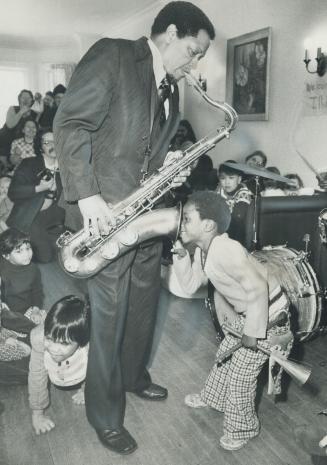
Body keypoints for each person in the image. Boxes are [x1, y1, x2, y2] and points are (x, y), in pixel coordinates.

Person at [54, 0, 215, 455]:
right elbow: (70, 123)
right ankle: (104, 415)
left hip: (145, 215)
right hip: (103, 217)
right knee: (108, 317)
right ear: (167, 32)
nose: (196, 61)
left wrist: (169, 164)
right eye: (194, 49)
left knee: (143, 304)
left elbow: (146, 150)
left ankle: (132, 375)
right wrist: (86, 196)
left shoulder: (173, 90)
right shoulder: (115, 55)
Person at [171, 191, 291, 451]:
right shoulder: (204, 250)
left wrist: (253, 331)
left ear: (208, 225)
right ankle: (214, 397)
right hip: (254, 313)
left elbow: (258, 287)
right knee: (226, 353)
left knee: (241, 376)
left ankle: (243, 427)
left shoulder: (225, 249)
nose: (180, 224)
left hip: (270, 318)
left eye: (186, 219)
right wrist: (181, 257)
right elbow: (191, 285)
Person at [28, 295, 89, 435]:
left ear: (82, 341)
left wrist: (87, 389)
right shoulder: (39, 339)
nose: (54, 348)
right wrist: (37, 414)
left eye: (64, 343)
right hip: (55, 373)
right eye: (49, 338)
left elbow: (99, 371)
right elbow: (37, 377)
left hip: (80, 369)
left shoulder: (90, 343)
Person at [7, 130, 65, 263]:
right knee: (45, 257)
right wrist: (40, 188)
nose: (52, 145)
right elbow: (13, 192)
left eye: (55, 141)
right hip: (32, 216)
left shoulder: (64, 167)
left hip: (56, 217)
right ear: (40, 147)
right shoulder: (29, 164)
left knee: (62, 254)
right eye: (47, 142)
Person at [0, 228, 45, 337]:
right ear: (6, 256)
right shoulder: (2, 269)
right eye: (19, 251)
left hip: (27, 310)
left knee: (44, 320)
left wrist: (35, 309)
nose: (26, 254)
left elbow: (37, 291)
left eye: (28, 248)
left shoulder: (33, 269)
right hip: (7, 312)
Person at [217, 160, 252, 246]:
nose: (227, 182)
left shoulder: (243, 193)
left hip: (237, 234)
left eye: (231, 178)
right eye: (223, 178)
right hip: (221, 231)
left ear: (239, 179)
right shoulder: (219, 191)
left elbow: (238, 217)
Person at [0, 90, 38, 168]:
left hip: (21, 142)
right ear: (19, 99)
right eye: (23, 97)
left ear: (31, 101)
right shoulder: (13, 108)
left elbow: (35, 129)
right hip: (5, 139)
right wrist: (21, 112)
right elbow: (10, 125)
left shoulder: (34, 113)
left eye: (28, 98)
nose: (26, 100)